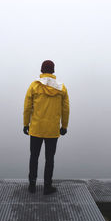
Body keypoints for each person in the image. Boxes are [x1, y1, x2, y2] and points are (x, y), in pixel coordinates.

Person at [23, 60, 70, 195]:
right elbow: (65, 108)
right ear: (53, 71)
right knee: (50, 159)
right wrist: (64, 126)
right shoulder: (61, 88)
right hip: (52, 130)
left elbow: (27, 107)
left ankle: (32, 186)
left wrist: (26, 124)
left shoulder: (34, 86)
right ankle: (47, 187)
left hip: (36, 129)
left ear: (42, 70)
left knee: (34, 157)